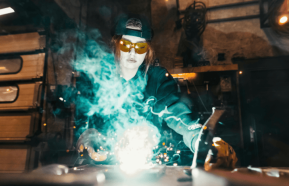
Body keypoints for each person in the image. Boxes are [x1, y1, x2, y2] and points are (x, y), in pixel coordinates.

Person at [76, 14, 237, 169]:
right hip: (106, 168)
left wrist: (202, 141)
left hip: (150, 165)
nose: (133, 52)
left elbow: (180, 117)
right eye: (126, 45)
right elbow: (85, 123)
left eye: (140, 46)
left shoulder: (157, 79)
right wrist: (87, 135)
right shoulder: (100, 78)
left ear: (147, 50)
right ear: (115, 44)